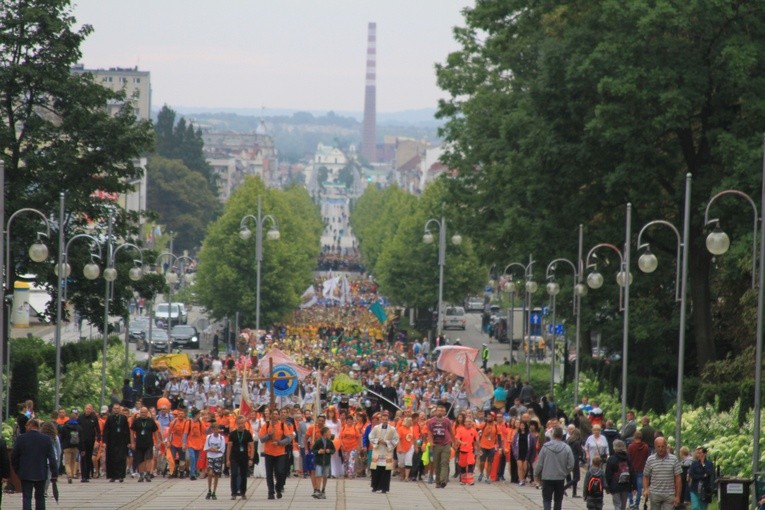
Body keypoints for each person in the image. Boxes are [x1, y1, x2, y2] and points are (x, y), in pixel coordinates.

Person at [11, 418, 58, 510]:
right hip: (41, 472)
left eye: (26, 426)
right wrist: (54, 473)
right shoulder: (46, 439)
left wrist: (17, 470)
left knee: (27, 497)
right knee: (40, 497)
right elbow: (52, 458)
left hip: (25, 472)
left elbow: (14, 456)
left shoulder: (21, 438)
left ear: (30, 426)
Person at [534, 426, 575, 510]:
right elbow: (571, 464)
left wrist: (536, 473)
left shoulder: (545, 446)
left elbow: (540, 463)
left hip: (547, 477)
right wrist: (565, 472)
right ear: (561, 435)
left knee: (547, 499)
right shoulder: (566, 448)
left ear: (553, 435)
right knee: (558, 500)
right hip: (559, 478)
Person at [259, 408, 294, 500]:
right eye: (273, 414)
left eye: (276, 414)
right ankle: (271, 492)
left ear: (278, 415)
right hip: (269, 453)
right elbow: (262, 439)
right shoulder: (266, 425)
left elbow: (288, 438)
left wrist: (279, 442)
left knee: (280, 472)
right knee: (269, 474)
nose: (274, 416)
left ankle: (278, 487)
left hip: (280, 453)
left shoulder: (282, 425)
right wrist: (269, 435)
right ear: (270, 415)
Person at [643, 437, 681, 510]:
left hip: (669, 493)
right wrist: (645, 489)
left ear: (666, 446)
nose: (661, 449)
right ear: (655, 447)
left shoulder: (674, 459)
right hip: (655, 493)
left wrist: (678, 496)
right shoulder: (650, 459)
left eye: (663, 446)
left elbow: (678, 478)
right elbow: (645, 476)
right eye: (658, 446)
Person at [369, 410, 399, 494]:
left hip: (386, 451)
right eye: (383, 419)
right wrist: (378, 441)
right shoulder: (376, 428)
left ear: (388, 420)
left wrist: (386, 443)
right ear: (381, 419)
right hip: (378, 451)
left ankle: (384, 488)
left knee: (386, 471)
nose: (385, 421)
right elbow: (370, 437)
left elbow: (396, 439)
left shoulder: (392, 429)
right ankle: (375, 487)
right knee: (376, 470)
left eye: (386, 419)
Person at [226, 415, 254, 500]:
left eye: (242, 423)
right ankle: (234, 493)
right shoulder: (233, 434)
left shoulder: (247, 433)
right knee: (234, 474)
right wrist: (227, 459)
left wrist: (251, 458)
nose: (240, 425)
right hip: (234, 456)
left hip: (244, 456)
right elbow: (229, 447)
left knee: (243, 475)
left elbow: (252, 446)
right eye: (239, 423)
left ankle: (243, 492)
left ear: (244, 423)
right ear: (236, 424)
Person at [426, 403, 453, 489]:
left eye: (442, 411)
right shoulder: (431, 421)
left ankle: (443, 480)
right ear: (435, 411)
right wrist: (431, 442)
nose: (440, 412)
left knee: (444, 462)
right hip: (436, 444)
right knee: (437, 464)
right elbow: (429, 433)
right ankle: (438, 481)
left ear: (444, 412)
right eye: (438, 410)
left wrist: (455, 442)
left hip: (446, 444)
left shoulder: (447, 421)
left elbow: (451, 432)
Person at [130, 406, 160, 482]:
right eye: (141, 412)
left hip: (149, 443)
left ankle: (148, 474)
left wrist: (157, 442)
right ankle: (141, 475)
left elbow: (155, 431)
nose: (143, 414)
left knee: (148, 459)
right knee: (140, 460)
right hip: (139, 444)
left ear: (147, 413)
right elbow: (131, 431)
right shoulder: (136, 421)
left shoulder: (151, 421)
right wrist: (132, 442)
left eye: (144, 412)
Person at [102, 403, 131, 482]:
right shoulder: (110, 418)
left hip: (122, 441)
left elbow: (127, 430)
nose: (116, 410)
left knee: (121, 458)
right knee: (112, 458)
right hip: (111, 441)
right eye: (115, 408)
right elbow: (105, 430)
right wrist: (104, 441)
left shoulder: (123, 418)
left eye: (118, 408)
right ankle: (112, 476)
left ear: (120, 409)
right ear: (112, 409)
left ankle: (121, 476)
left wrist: (128, 441)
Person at [605, 439, 635, 510]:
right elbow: (632, 472)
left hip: (615, 484)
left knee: (617, 504)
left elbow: (608, 474)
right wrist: (634, 485)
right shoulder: (628, 458)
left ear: (614, 448)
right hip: (626, 484)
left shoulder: (611, 459)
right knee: (623, 505)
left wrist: (608, 485)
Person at [627, 430, 650, 509]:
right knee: (640, 488)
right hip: (642, 469)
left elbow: (628, 459)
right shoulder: (646, 447)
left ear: (634, 437)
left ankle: (631, 503)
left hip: (632, 470)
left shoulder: (630, 447)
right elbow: (647, 458)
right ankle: (637, 504)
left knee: (629, 486)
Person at [59, 408, 82, 484]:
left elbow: (61, 437)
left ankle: (69, 475)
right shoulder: (78, 427)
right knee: (73, 461)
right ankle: (72, 474)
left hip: (66, 447)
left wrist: (62, 445)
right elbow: (81, 438)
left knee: (67, 462)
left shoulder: (65, 427)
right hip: (75, 447)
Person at [312, 426, 335, 499]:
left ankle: (323, 489)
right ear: (325, 433)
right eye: (329, 432)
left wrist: (329, 451)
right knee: (318, 475)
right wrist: (318, 451)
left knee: (325, 476)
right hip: (319, 461)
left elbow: (333, 450)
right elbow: (313, 450)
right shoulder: (318, 441)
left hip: (327, 461)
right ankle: (318, 490)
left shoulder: (330, 442)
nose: (330, 434)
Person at [79, 404, 100, 482]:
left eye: (90, 409)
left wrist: (98, 440)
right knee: (83, 457)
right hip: (82, 441)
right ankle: (83, 476)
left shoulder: (94, 418)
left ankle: (87, 475)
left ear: (92, 410)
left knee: (88, 458)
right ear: (85, 409)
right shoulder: (80, 418)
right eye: (87, 408)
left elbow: (97, 429)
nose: (88, 410)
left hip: (90, 441)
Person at [688, 446, 714, 510]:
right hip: (694, 488)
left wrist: (703, 464)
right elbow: (692, 474)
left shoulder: (709, 464)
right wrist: (702, 476)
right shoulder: (694, 464)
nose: (699, 455)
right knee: (695, 507)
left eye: (701, 453)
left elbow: (709, 473)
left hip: (705, 490)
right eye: (698, 453)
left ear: (705, 454)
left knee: (703, 508)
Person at [204, 423, 226, 500]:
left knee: (216, 474)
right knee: (210, 473)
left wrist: (217, 450)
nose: (216, 430)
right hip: (210, 456)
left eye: (217, 429)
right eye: (214, 429)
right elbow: (206, 447)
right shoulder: (209, 437)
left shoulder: (221, 438)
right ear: (212, 430)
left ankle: (214, 491)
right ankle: (209, 489)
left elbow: (222, 449)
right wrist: (211, 449)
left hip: (218, 457)